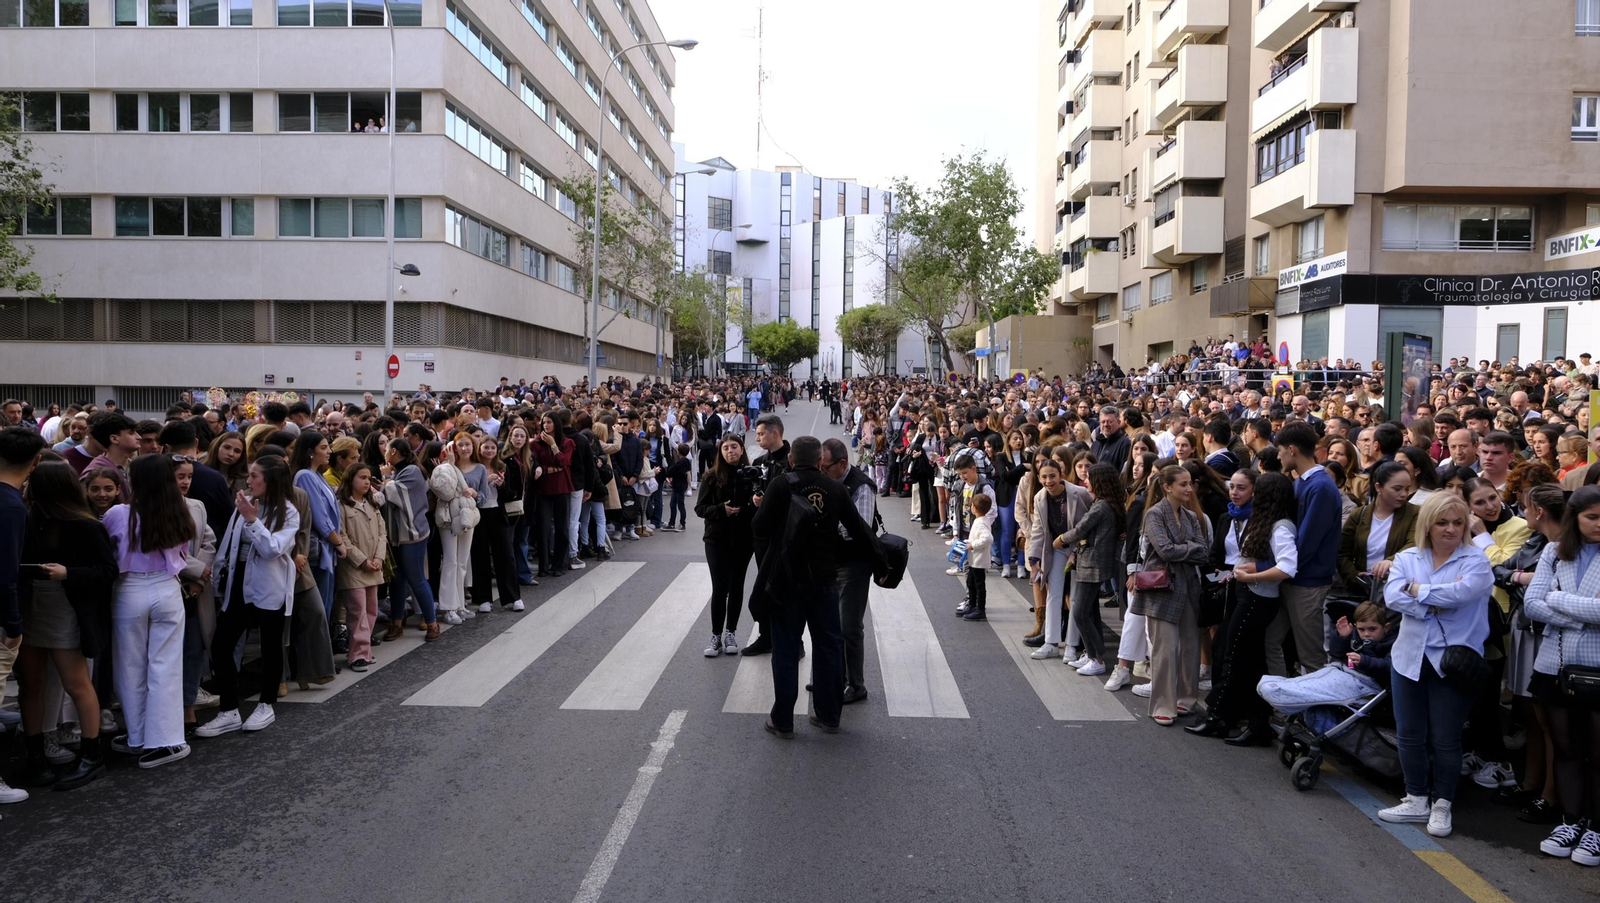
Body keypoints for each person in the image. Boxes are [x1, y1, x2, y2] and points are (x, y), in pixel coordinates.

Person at [750, 436, 885, 738]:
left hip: (787, 581)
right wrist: (882, 565)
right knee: (828, 647)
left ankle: (783, 720)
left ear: (792, 460)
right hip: (825, 580)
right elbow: (861, 531)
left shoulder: (781, 485)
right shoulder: (836, 488)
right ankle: (829, 716)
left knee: (785, 650)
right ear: (819, 461)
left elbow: (758, 527)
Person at [1378, 492, 1493, 838]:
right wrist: (1433, 597)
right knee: (1409, 734)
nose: (1451, 529)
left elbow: (1464, 595)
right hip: (1408, 657)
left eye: (1458, 523)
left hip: (1453, 663)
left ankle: (1443, 803)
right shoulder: (1407, 557)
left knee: (1445, 738)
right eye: (1442, 522)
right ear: (1428, 524)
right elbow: (1392, 597)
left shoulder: (1476, 561)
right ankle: (1416, 797)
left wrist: (1418, 590)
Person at [13, 460, 117, 791]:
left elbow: (107, 571)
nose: (26, 486)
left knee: (76, 682)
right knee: (31, 684)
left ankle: (91, 755)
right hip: (30, 605)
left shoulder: (84, 524)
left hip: (64, 606)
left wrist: (68, 573)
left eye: (32, 481)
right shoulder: (31, 518)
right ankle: (36, 755)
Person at [1189, 471, 1296, 745]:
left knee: (1236, 658)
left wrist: (1251, 575)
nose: (1240, 493)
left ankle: (1222, 717)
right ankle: (1242, 721)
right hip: (1247, 594)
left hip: (1257, 597)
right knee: (1239, 657)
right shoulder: (1263, 521)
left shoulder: (1278, 525)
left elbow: (1287, 566)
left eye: (1252, 489)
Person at [197, 454, 300, 738]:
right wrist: (219, 580)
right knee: (220, 646)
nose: (249, 481)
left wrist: (253, 521)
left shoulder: (288, 511)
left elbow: (272, 550)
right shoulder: (243, 504)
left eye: (255, 476)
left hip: (270, 586)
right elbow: (228, 545)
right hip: (238, 583)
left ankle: (266, 704)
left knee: (270, 646)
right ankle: (229, 709)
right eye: (249, 475)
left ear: (271, 481)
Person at [1523, 485, 1600, 864]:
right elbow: (1532, 604)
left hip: (1595, 668)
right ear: (1575, 518)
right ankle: (1571, 820)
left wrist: (1558, 600)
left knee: (1598, 750)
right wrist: (1584, 614)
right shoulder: (1554, 552)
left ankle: (1597, 828)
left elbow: (1548, 601)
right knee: (1566, 748)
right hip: (1555, 666)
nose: (1599, 524)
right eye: (1592, 517)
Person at [103, 454, 195, 767]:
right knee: (166, 665)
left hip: (129, 589)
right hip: (167, 588)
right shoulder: (178, 509)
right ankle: (166, 739)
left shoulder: (118, 513)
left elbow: (108, 549)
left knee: (129, 665)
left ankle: (138, 735)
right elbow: (184, 551)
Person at [1129, 465, 1212, 726]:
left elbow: (1205, 551)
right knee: (1165, 649)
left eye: (1190, 483)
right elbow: (1164, 551)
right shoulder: (1154, 514)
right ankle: (1163, 704)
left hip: (1189, 587)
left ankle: (1186, 699)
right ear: (1167, 487)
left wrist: (1183, 549)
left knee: (1189, 646)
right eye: (1183, 484)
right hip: (1161, 589)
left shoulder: (1190, 516)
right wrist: (1189, 548)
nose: (1189, 488)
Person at [1272, 421, 1341, 674]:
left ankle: (1317, 712)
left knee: (1310, 655)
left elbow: (1308, 542)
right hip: (1292, 578)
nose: (1278, 455)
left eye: (1280, 449)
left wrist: (1279, 569)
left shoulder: (1320, 486)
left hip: (1308, 582)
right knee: (1272, 641)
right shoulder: (1302, 481)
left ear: (1292, 449)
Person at [1050, 463, 1126, 676]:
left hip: (1092, 562)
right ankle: (1092, 653)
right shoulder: (1107, 503)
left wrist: (1061, 540)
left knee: (1081, 612)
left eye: (1090, 478)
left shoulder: (1101, 506)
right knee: (1090, 611)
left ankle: (1097, 658)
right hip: (1094, 561)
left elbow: (1081, 528)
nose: (1086, 481)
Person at [821, 437, 878, 703]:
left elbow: (860, 527)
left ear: (841, 463)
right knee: (829, 624)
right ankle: (835, 677)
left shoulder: (861, 485)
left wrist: (824, 528)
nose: (821, 472)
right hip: (830, 562)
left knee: (849, 627)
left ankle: (856, 685)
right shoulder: (828, 482)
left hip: (854, 564)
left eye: (825, 467)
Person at [1025, 458, 1090, 660]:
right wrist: (1033, 558)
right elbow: (1038, 530)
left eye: (1052, 476)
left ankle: (1071, 645)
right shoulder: (1039, 497)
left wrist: (1078, 549)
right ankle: (1051, 642)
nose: (1048, 480)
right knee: (1054, 593)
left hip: (1081, 549)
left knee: (1076, 597)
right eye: (1044, 476)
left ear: (1061, 474)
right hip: (1056, 549)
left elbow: (1091, 524)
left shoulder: (1079, 494)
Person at [696, 435, 754, 657]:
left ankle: (731, 632)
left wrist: (752, 505)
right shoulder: (711, 477)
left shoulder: (750, 475)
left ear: (741, 450)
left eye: (734, 447)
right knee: (720, 588)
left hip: (743, 539)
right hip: (716, 538)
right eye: (726, 448)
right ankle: (715, 636)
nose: (730, 451)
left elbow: (761, 507)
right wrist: (721, 509)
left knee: (737, 586)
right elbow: (700, 508)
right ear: (720, 452)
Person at [379, 439, 440, 643]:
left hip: (412, 535)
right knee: (397, 581)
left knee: (417, 579)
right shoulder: (400, 470)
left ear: (394, 451)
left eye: (386, 449)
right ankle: (396, 623)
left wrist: (386, 478)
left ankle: (432, 623)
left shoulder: (412, 470)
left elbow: (396, 495)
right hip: (396, 536)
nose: (384, 452)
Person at [742, 413, 790, 657]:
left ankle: (794, 642)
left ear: (775, 433)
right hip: (763, 536)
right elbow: (753, 492)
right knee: (764, 588)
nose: (758, 437)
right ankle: (766, 636)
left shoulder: (792, 461)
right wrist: (755, 499)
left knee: (785, 589)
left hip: (786, 536)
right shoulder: (761, 460)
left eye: (761, 433)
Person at [337, 463, 389, 671]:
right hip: (354, 568)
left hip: (373, 566)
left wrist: (379, 558)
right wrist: (361, 560)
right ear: (350, 480)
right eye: (362, 478)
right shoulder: (342, 506)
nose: (367, 482)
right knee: (357, 611)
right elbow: (342, 537)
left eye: (369, 478)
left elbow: (381, 534)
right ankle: (357, 654)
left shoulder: (372, 505)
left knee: (371, 610)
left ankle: (365, 650)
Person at [468, 433, 521, 613]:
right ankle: (483, 598)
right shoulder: (474, 468)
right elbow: (469, 491)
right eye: (486, 447)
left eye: (492, 448)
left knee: (505, 555)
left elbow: (511, 494)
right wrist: (483, 483)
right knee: (480, 554)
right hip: (478, 514)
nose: (489, 450)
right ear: (480, 449)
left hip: (498, 514)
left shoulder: (502, 466)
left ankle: (513, 597)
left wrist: (501, 485)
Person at [529, 412, 575, 577]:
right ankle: (543, 565)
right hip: (543, 488)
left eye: (549, 422)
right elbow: (535, 464)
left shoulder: (567, 442)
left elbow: (564, 462)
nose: (546, 425)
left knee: (562, 528)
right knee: (543, 528)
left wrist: (554, 445)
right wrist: (550, 469)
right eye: (543, 423)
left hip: (562, 487)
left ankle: (560, 564)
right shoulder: (535, 443)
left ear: (556, 423)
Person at [961, 493, 993, 620]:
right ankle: (972, 604)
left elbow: (988, 538)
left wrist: (973, 545)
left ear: (974, 508)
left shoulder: (980, 522)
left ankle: (980, 609)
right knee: (971, 582)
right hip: (975, 559)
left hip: (979, 560)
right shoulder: (982, 520)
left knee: (978, 585)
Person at [663, 442, 691, 531]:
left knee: (679, 505)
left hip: (678, 485)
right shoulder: (687, 461)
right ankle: (672, 523)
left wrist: (667, 474)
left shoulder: (680, 462)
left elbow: (671, 470)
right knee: (674, 505)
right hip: (680, 485)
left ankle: (682, 524)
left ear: (679, 452)